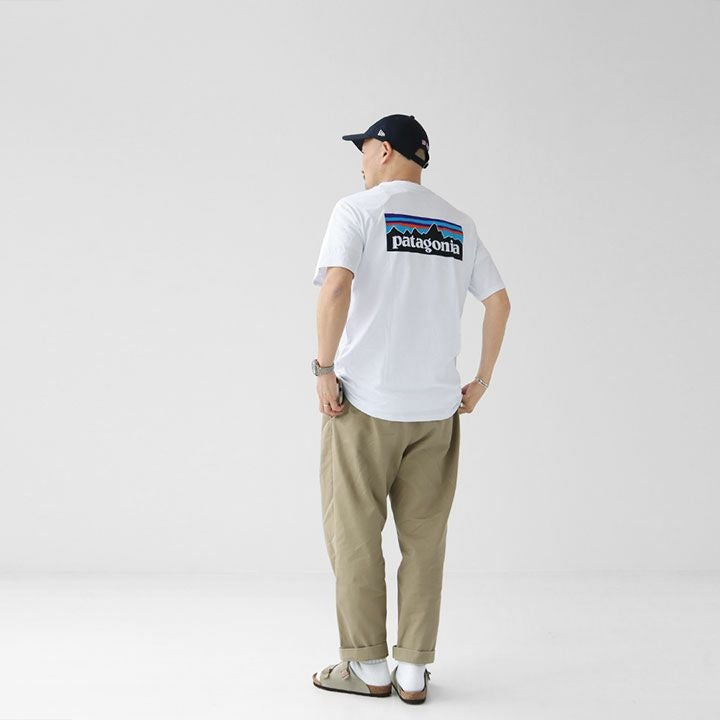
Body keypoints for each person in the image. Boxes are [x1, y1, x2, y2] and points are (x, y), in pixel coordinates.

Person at [310, 113, 511, 704]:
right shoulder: (457, 222)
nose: (360, 162)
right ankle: (414, 671)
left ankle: (368, 666)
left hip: (364, 406)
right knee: (425, 541)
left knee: (355, 535)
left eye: (364, 149)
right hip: (436, 412)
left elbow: (337, 288)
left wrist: (323, 369)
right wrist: (481, 381)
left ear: (384, 149)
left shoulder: (357, 210)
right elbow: (499, 301)